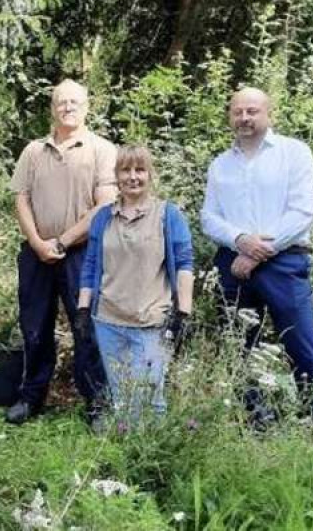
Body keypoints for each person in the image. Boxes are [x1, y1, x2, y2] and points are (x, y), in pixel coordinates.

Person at [201, 86, 313, 439]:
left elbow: (303, 212)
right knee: (240, 352)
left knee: (305, 349)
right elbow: (209, 217)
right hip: (231, 265)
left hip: (284, 264)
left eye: (252, 111)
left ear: (268, 114)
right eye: (238, 112)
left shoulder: (294, 153)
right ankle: (259, 432)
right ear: (230, 116)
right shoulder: (220, 164)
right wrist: (238, 241)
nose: (244, 118)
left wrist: (254, 252)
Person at [6, 79, 116, 433]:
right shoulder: (34, 151)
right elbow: (20, 198)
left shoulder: (101, 149)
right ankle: (31, 397)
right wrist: (38, 243)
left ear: (86, 106)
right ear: (52, 108)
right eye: (61, 102)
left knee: (87, 327)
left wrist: (63, 242)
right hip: (36, 253)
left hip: (80, 255)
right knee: (34, 326)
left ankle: (97, 402)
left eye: (74, 101)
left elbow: (106, 205)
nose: (67, 107)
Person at [76, 145, 194, 423]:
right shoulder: (104, 217)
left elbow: (184, 263)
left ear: (150, 174)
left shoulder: (168, 215)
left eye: (139, 170)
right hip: (108, 321)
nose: (132, 177)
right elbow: (91, 264)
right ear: (116, 176)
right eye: (125, 170)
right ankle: (126, 456)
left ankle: (152, 462)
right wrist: (83, 309)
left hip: (151, 323)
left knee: (151, 399)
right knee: (122, 397)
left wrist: (184, 313)